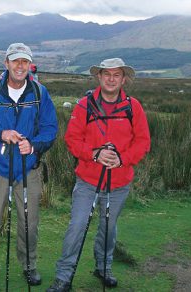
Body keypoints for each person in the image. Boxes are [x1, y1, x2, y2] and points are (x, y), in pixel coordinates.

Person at [47, 58, 151, 291]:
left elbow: (143, 141)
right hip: (87, 181)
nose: (111, 79)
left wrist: (122, 158)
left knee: (108, 228)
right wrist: (94, 154)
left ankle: (103, 268)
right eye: (107, 74)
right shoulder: (85, 105)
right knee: (77, 226)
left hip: (119, 182)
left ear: (123, 79)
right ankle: (63, 277)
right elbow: (72, 140)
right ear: (99, 77)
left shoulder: (134, 107)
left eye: (117, 75)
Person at [0, 42, 58, 289]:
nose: (20, 66)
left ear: (30, 65)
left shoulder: (40, 93)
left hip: (29, 168)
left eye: (24, 61)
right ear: (6, 63)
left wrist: (35, 146)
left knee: (29, 223)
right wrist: (0, 134)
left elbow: (50, 129)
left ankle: (29, 267)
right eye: (15, 60)